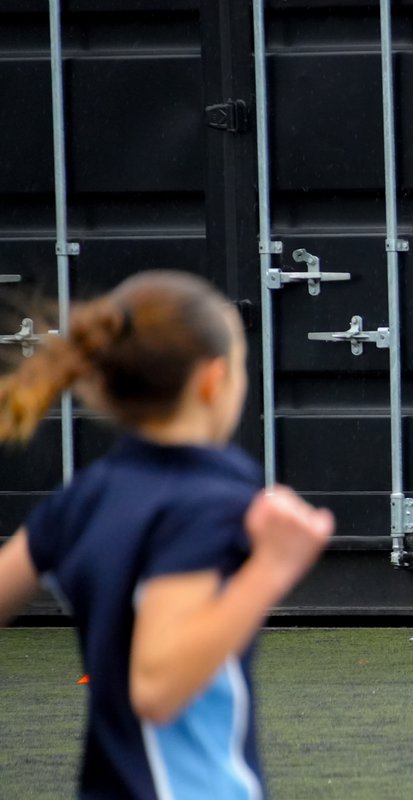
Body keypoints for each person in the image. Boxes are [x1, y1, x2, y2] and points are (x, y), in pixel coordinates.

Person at [0, 270, 335, 798]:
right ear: (212, 380)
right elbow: (157, 689)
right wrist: (274, 568)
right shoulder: (210, 501)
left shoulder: (86, 494)